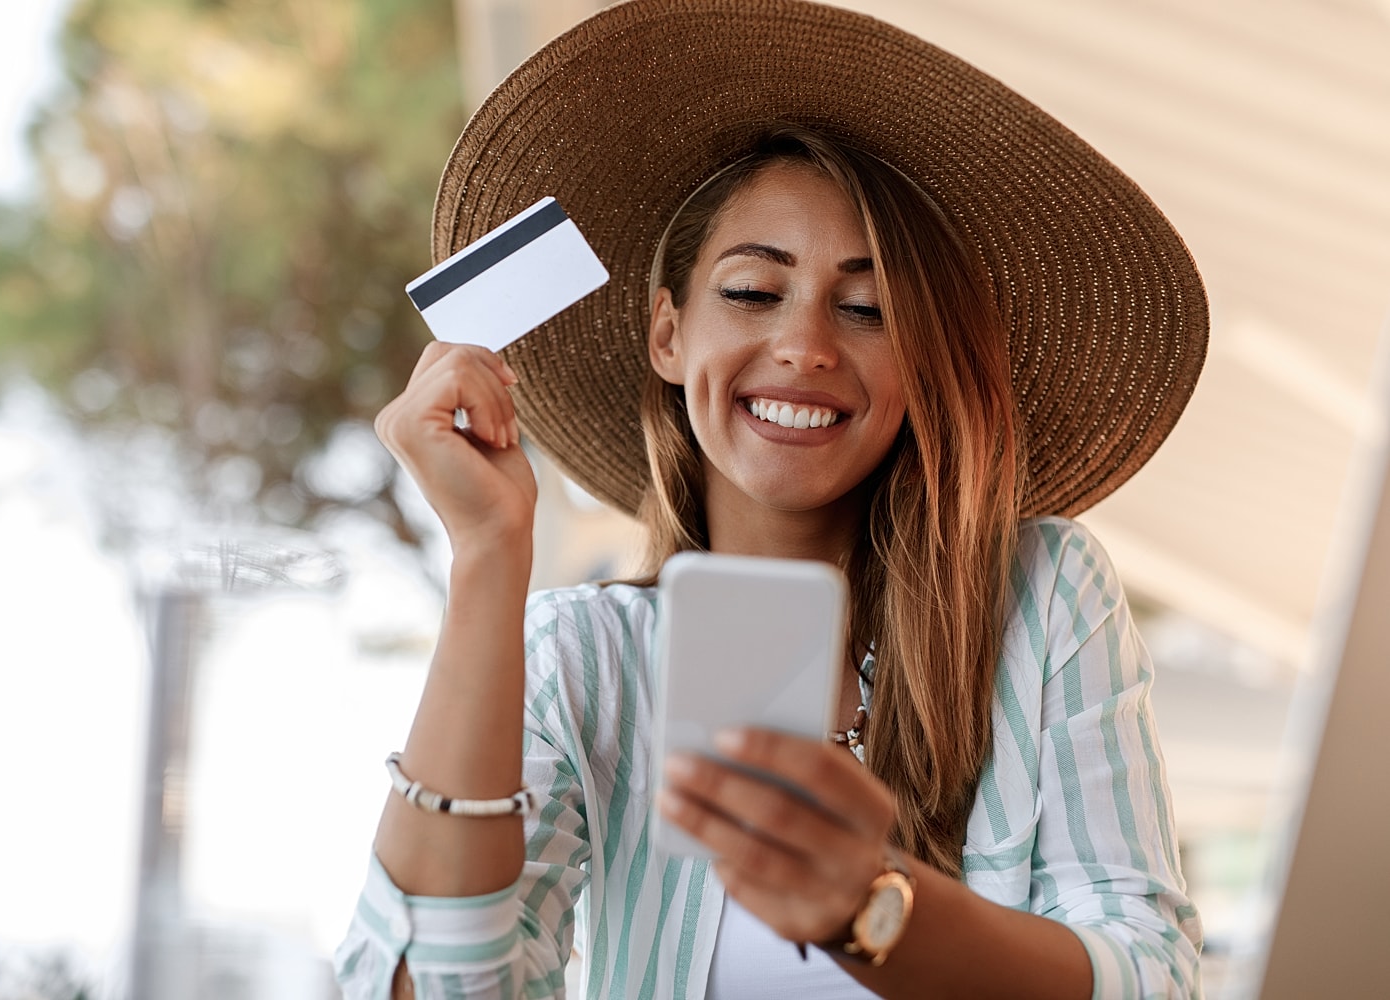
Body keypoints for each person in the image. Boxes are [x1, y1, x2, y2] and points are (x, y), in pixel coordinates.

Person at [335, 1, 1209, 997]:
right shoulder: (583, 661)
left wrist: (872, 908)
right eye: (753, 291)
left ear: (922, 365)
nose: (805, 344)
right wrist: (489, 558)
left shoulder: (1040, 595)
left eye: (869, 308)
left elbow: (1151, 975)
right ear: (669, 334)